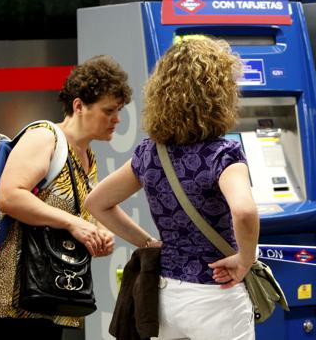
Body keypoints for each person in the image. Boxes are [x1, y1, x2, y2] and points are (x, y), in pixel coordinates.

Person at [85, 36, 258, 340]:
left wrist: (149, 242)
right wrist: (246, 259)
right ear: (220, 95)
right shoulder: (224, 155)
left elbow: (97, 202)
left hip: (165, 296)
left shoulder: (149, 153)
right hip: (215, 294)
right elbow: (243, 210)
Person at [0, 55, 132, 340]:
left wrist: (97, 230)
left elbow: (74, 209)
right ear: (79, 105)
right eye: (109, 111)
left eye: (118, 110)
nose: (117, 119)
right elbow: (8, 196)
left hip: (49, 292)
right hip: (16, 295)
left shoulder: (86, 155)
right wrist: (74, 224)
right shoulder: (44, 137)